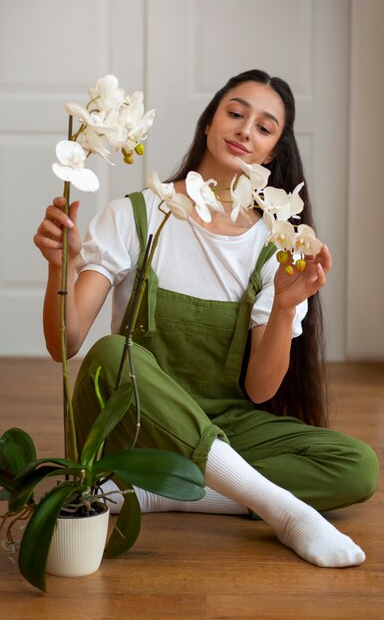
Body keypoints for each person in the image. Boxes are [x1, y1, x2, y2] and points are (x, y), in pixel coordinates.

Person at [34, 69, 378, 568]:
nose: (245, 130)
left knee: (357, 467)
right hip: (130, 428)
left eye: (264, 127)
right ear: (208, 123)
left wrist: (283, 306)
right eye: (236, 114)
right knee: (113, 353)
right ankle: (280, 509)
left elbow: (260, 391)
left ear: (273, 155)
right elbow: (66, 343)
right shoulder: (136, 214)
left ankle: (157, 494)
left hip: (227, 425)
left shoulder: (275, 245)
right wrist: (58, 268)